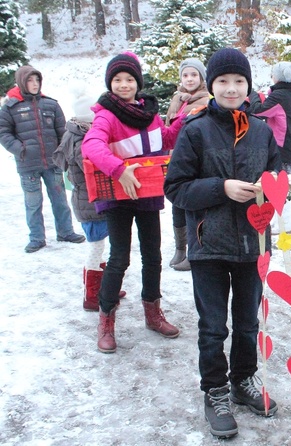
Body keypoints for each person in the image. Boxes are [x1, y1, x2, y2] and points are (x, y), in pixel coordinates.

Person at [164, 48, 281, 439]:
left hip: (253, 244)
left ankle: (242, 380)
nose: (232, 88)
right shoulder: (194, 130)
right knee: (214, 326)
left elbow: (278, 176)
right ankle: (214, 390)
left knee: (248, 323)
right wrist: (222, 188)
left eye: (239, 81)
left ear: (249, 86)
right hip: (208, 245)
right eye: (223, 82)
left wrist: (270, 187)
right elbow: (175, 188)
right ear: (211, 86)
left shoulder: (263, 131)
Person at [82, 52, 184, 353]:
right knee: (119, 258)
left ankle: (153, 313)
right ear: (110, 83)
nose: (124, 85)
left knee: (153, 256)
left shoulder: (148, 113)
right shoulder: (106, 115)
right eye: (117, 80)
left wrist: (184, 121)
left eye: (129, 79)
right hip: (118, 198)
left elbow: (163, 139)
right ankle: (106, 320)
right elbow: (92, 145)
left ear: (137, 82)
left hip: (148, 193)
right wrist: (119, 169)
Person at [53, 92, 127, 311]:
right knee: (96, 248)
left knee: (101, 246)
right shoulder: (82, 138)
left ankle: (105, 287)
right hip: (90, 203)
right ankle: (92, 295)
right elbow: (94, 167)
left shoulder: (75, 131)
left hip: (90, 201)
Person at [0, 65, 86, 253]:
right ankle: (37, 238)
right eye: (30, 80)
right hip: (28, 165)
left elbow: (63, 132)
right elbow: (4, 133)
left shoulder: (51, 104)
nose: (34, 84)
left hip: (52, 164)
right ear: (22, 82)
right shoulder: (10, 107)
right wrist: (20, 150)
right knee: (33, 203)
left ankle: (65, 231)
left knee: (60, 199)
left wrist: (62, 153)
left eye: (37, 80)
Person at [165, 58, 210, 272]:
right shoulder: (177, 99)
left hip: (196, 159)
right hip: (176, 158)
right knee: (176, 205)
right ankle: (180, 248)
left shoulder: (206, 99)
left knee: (192, 206)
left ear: (201, 78)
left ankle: (194, 250)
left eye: (194, 75)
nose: (189, 79)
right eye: (185, 75)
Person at [247, 61, 291, 173]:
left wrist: (252, 95)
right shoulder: (289, 93)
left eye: (273, 74)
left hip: (280, 150)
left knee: (276, 184)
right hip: (288, 147)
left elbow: (257, 111)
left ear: (278, 76)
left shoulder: (280, 95)